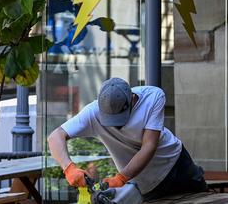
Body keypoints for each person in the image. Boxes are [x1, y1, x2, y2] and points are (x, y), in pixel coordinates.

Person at [47, 77, 207, 200]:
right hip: (146, 182)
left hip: (176, 162)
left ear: (131, 99)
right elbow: (55, 136)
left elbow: (149, 146)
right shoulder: (92, 113)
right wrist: (69, 168)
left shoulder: (153, 97)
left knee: (206, 198)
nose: (115, 126)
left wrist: (122, 177)